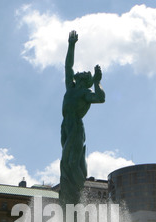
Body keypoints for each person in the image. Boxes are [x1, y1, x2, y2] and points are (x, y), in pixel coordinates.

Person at [60, 30, 105, 206]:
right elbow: (68, 67)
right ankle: (67, 199)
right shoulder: (70, 87)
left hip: (76, 128)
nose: (82, 71)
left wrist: (97, 81)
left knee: (71, 163)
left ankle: (76, 198)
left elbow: (101, 98)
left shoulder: (85, 93)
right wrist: (71, 45)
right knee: (65, 165)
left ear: (86, 80)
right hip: (65, 127)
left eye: (86, 73)